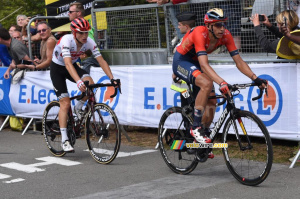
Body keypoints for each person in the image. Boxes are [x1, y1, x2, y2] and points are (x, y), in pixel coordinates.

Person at [173, 8, 267, 145]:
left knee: (212, 102)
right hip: (182, 61)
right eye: (218, 25)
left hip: (196, 63)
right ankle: (195, 128)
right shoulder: (200, 32)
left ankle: (201, 141)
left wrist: (255, 78)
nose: (222, 28)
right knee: (206, 83)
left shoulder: (225, 35)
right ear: (209, 26)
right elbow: (204, 65)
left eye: (224, 24)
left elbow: (239, 62)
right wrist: (222, 82)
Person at [50, 18, 118, 152]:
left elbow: (101, 61)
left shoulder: (89, 42)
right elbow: (68, 64)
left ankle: (79, 107)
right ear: (74, 33)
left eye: (86, 32)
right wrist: (79, 81)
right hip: (58, 68)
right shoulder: (66, 40)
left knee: (90, 84)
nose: (84, 36)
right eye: (81, 33)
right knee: (65, 102)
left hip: (72, 66)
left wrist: (112, 79)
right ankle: (64, 139)